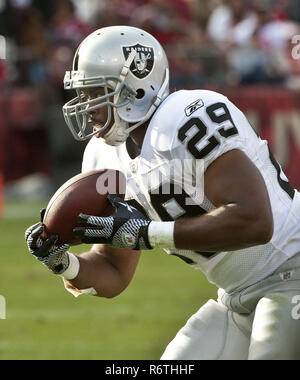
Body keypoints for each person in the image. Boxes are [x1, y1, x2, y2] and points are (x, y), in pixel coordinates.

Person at [25, 25, 300, 360]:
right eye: (82, 95)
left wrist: (147, 233)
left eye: (95, 92)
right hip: (236, 296)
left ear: (135, 87)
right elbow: (113, 271)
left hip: (292, 271)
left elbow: (255, 221)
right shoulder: (103, 157)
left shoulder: (186, 118)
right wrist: (64, 263)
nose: (86, 106)